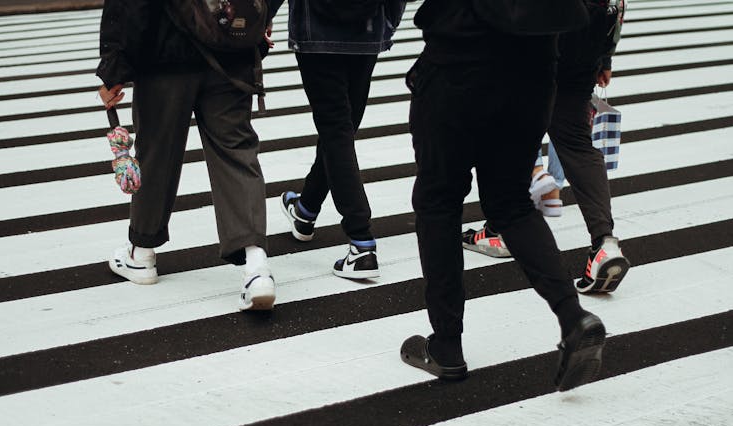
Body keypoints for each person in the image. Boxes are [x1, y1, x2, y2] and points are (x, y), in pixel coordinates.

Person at [400, 0, 607, 392]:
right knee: (510, 202)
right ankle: (573, 316)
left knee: (438, 202)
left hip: (457, 66)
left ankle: (446, 344)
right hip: (534, 73)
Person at [96, 0, 276, 311]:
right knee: (236, 153)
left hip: (163, 58)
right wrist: (258, 23)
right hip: (230, 55)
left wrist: (114, 68)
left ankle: (142, 253)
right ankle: (256, 265)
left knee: (157, 153)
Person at [462, 0, 630, 295]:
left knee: (506, 127)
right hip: (591, 34)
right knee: (576, 143)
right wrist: (604, 58)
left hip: (544, 33)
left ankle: (502, 226)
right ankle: (604, 243)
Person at [271, 0, 405, 279]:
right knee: (341, 131)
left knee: (336, 131)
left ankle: (361, 241)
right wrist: (387, 22)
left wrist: (261, 18)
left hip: (316, 32)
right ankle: (305, 210)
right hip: (367, 28)